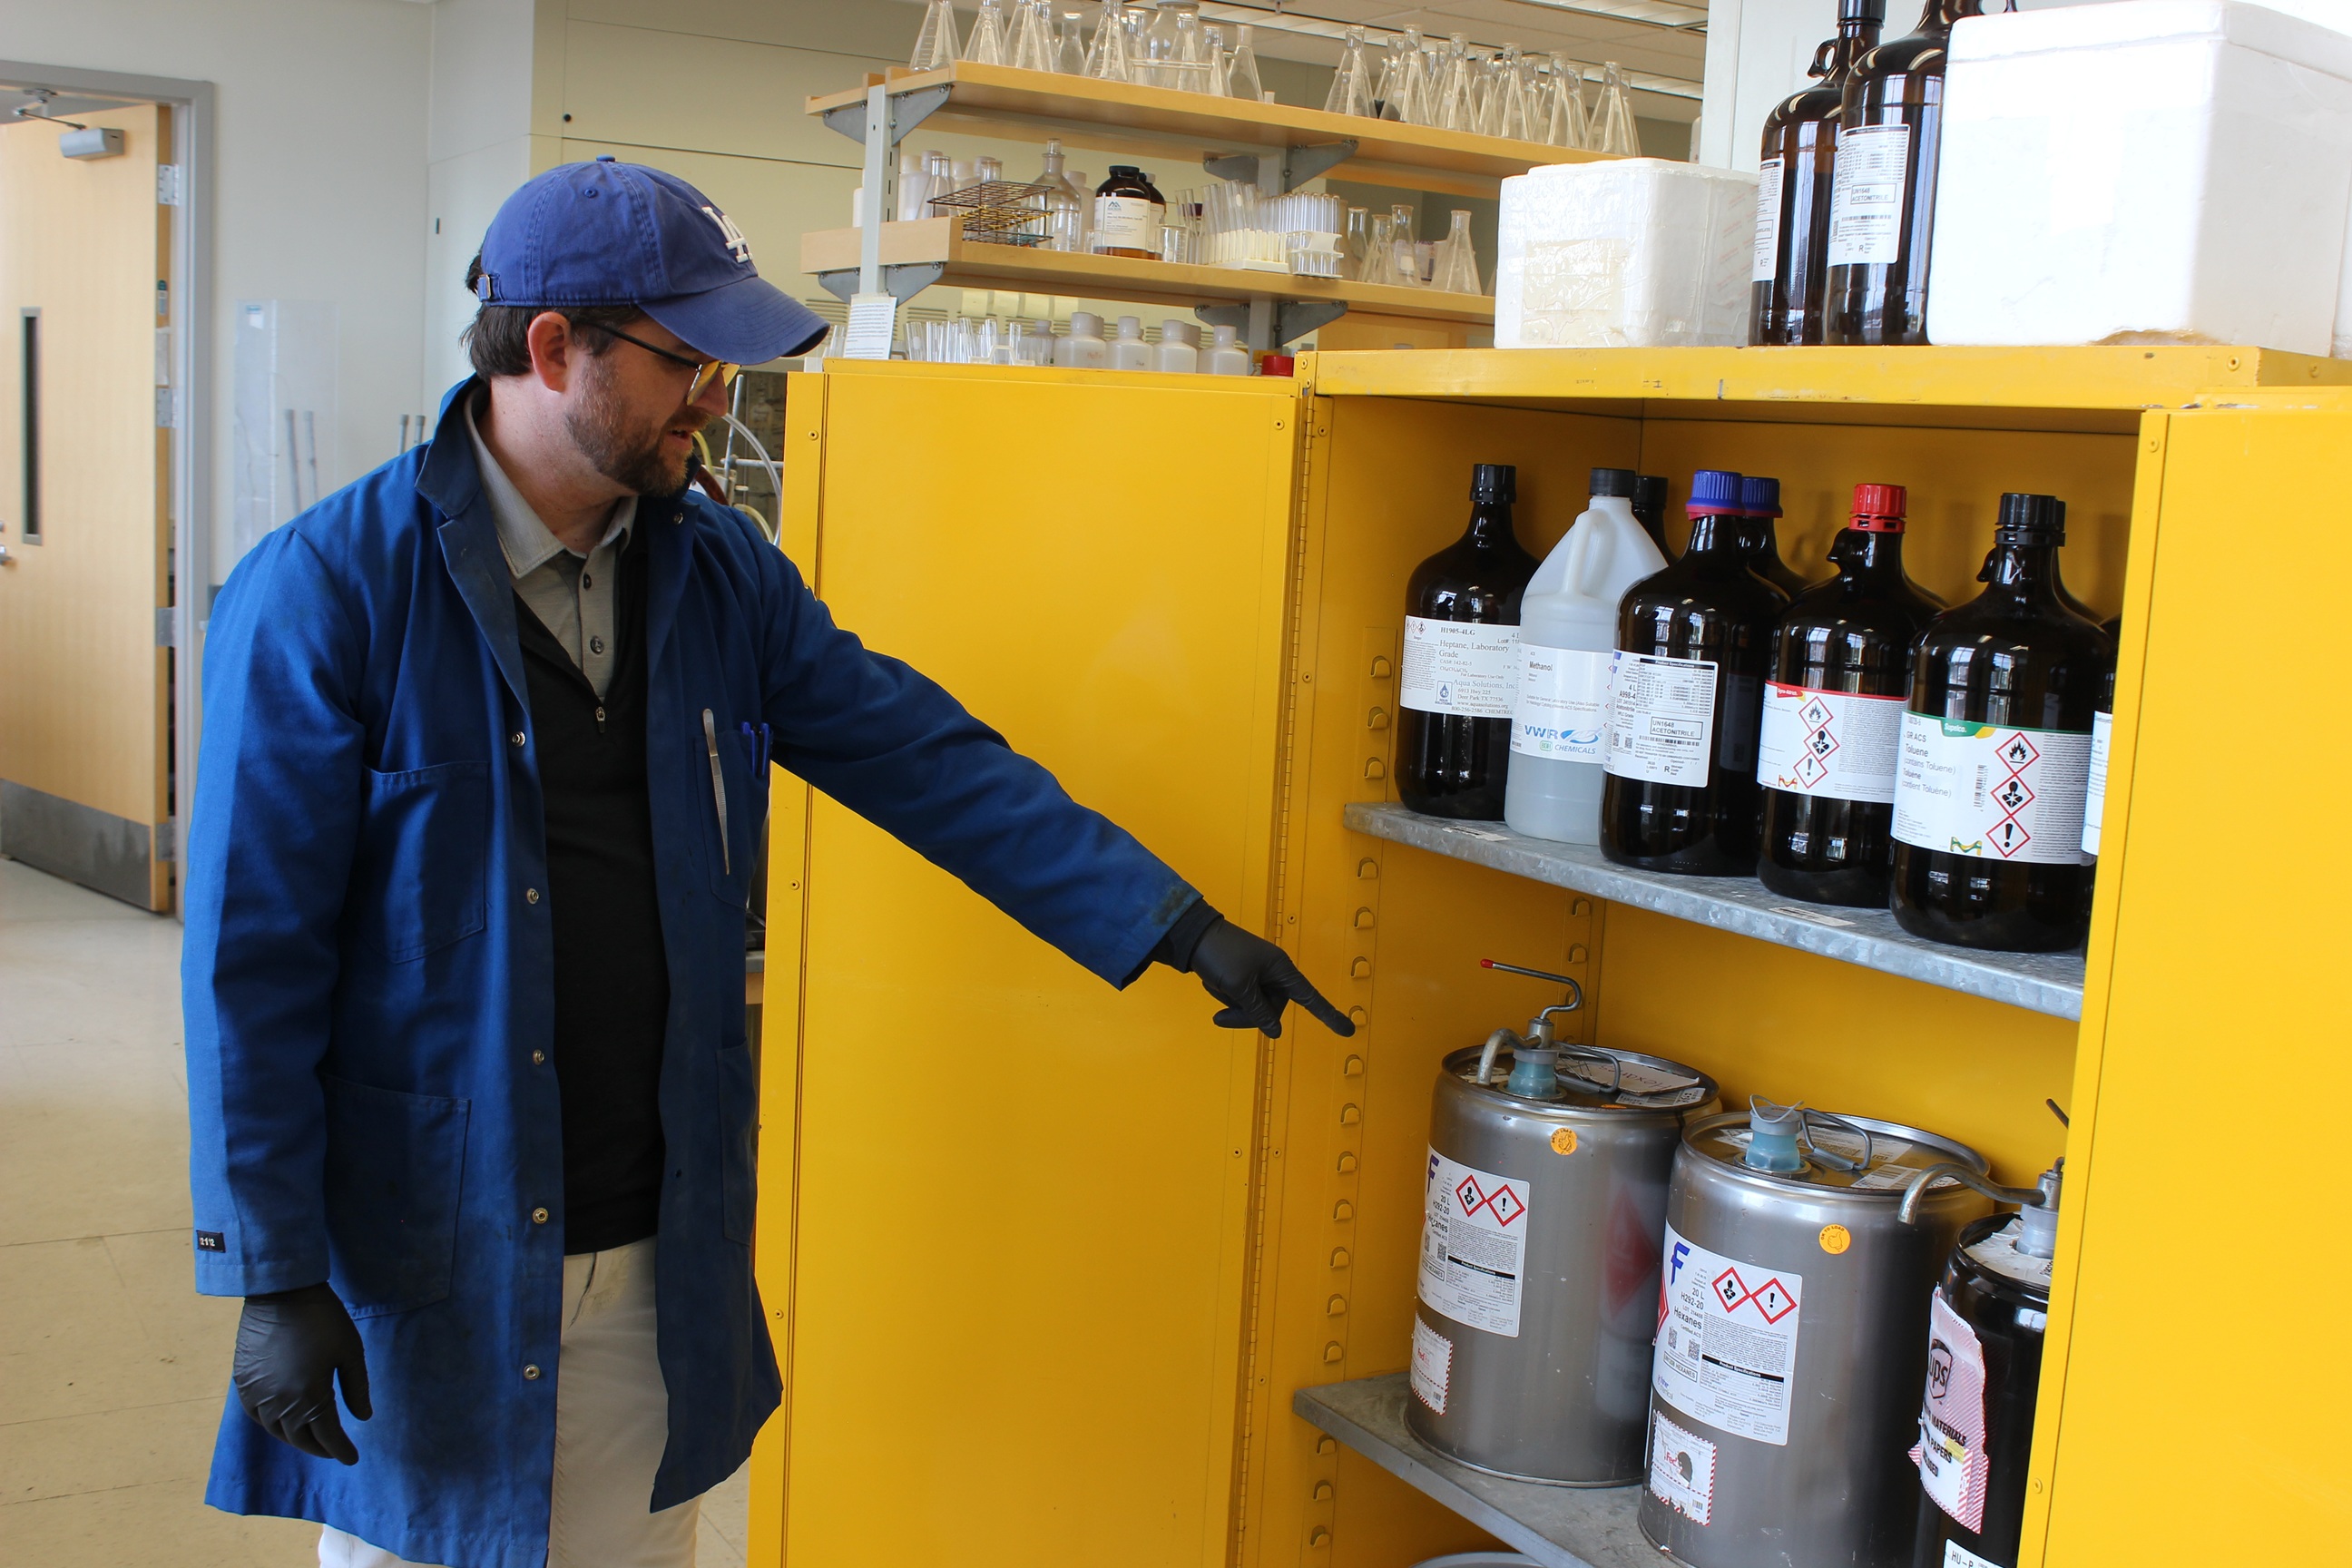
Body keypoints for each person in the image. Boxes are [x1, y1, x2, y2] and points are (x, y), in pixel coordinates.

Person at [182, 157, 1350, 1568]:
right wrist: (273, 1268)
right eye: (690, 363)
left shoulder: (718, 573)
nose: (720, 402)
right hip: (432, 1255)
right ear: (555, 349)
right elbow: (251, 964)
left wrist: (1169, 921)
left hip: (658, 1249)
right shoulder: (328, 594)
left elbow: (924, 757)